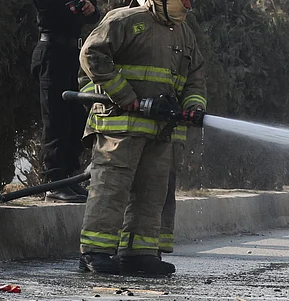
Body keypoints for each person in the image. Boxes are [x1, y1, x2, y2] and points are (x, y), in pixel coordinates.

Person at [77, 0, 206, 276]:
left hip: (160, 131)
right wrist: (128, 98)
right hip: (120, 125)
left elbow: (194, 77)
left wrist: (194, 107)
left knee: (152, 191)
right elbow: (92, 55)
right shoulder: (125, 20)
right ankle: (95, 252)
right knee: (111, 187)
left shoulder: (184, 33)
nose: (188, 3)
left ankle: (139, 254)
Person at [33, 0, 99, 203]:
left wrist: (91, 8)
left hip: (74, 55)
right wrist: (77, 9)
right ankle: (55, 180)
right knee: (57, 119)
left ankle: (68, 177)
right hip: (52, 52)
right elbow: (62, 15)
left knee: (76, 119)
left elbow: (94, 17)